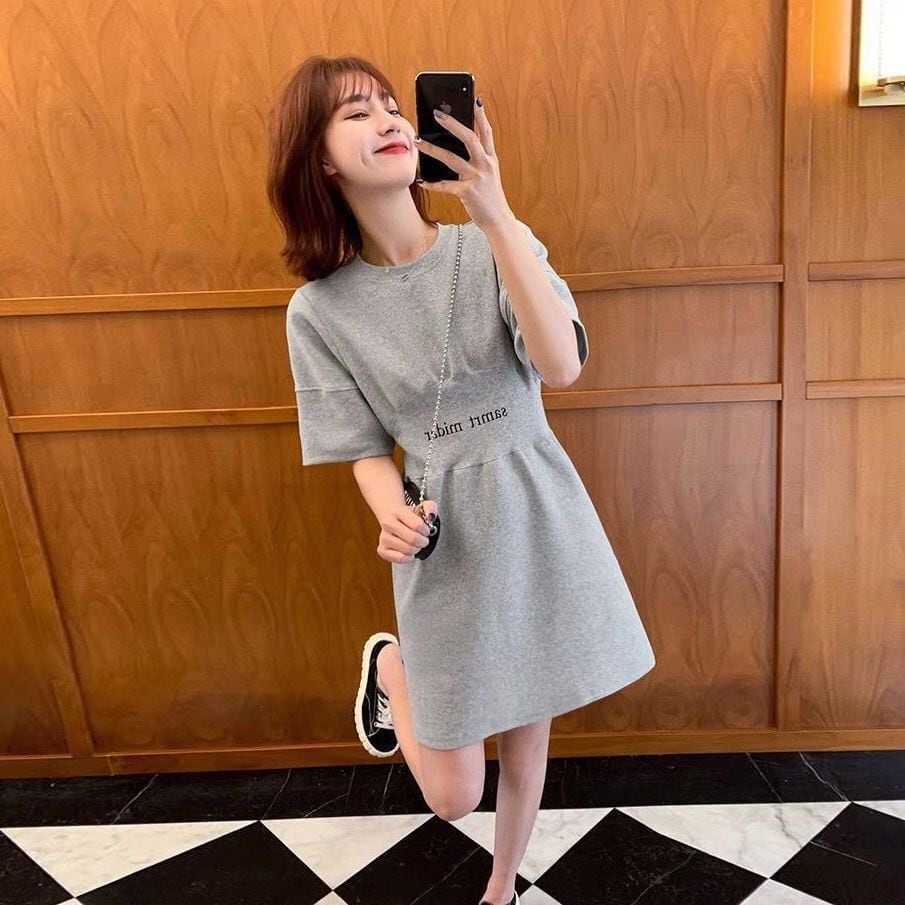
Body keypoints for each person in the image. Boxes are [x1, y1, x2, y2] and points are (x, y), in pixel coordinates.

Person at [267, 54, 656, 905]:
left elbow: (560, 367)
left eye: (387, 105)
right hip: (440, 534)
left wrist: (495, 212)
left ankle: (500, 885)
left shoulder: (491, 246)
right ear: (320, 159)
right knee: (451, 795)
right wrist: (391, 515)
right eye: (354, 112)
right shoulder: (319, 312)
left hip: (534, 510)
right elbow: (360, 446)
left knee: (528, 731)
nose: (385, 119)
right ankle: (392, 666)